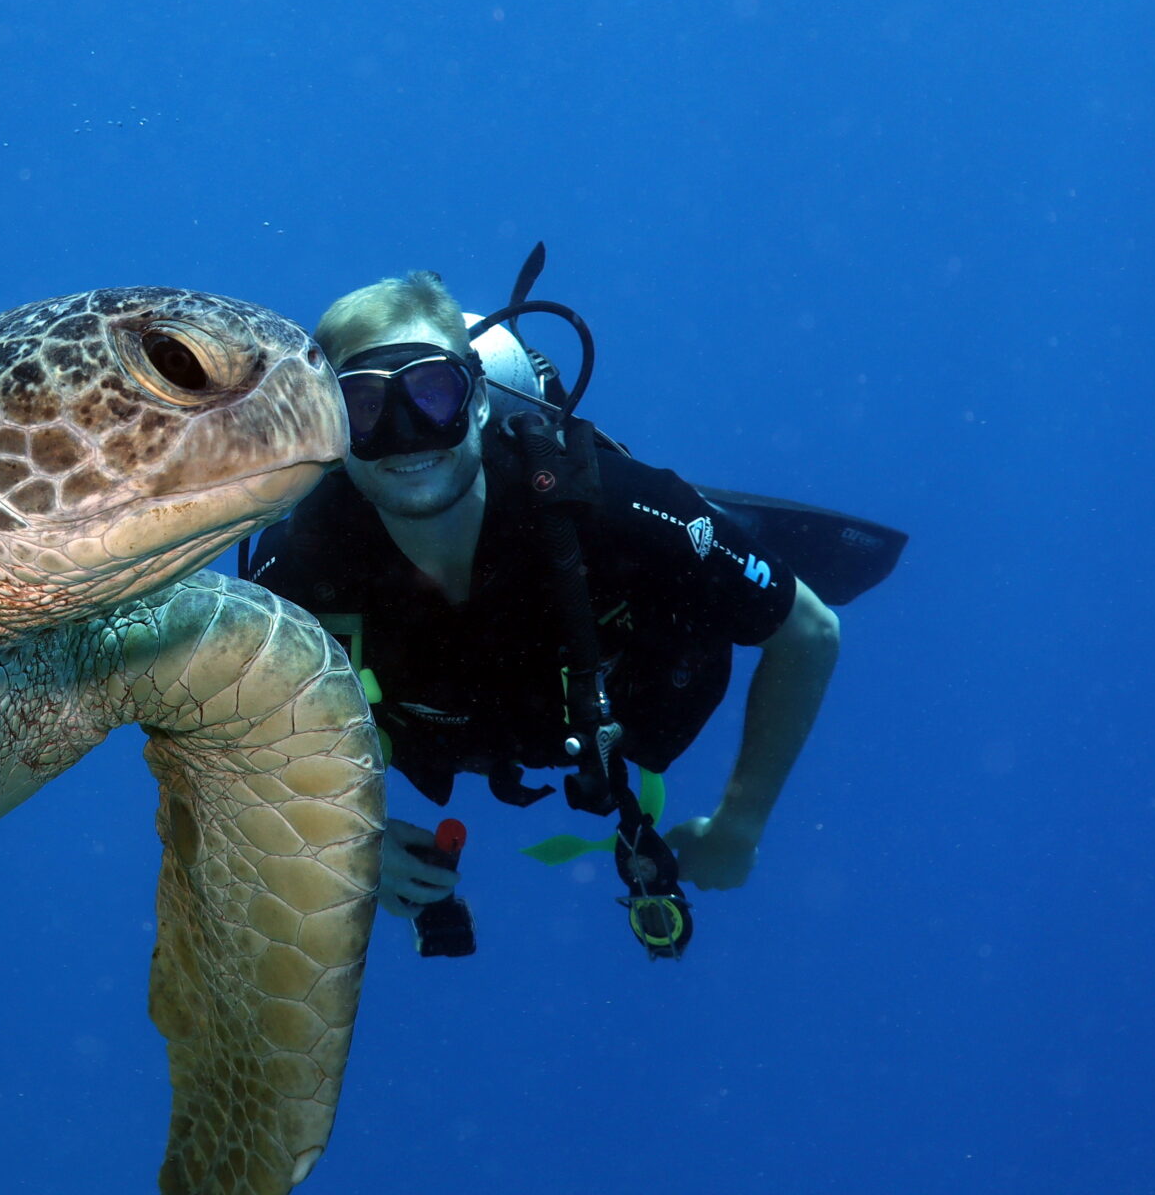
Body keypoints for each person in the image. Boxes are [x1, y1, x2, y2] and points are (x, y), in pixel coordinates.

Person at [245, 264, 872, 958]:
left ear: (479, 400)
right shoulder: (300, 565)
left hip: (635, 682)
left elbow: (811, 631)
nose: (408, 437)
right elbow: (217, 736)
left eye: (432, 392)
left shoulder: (613, 512)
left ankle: (725, 535)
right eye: (364, 406)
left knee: (695, 552)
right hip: (476, 726)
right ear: (330, 430)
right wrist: (336, 841)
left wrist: (740, 823)